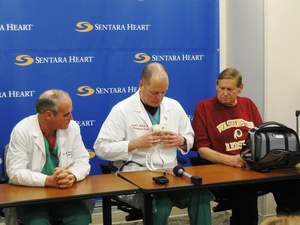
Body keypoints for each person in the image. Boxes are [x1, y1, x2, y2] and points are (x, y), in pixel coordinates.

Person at [94, 62, 212, 225]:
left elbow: (190, 137)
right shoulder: (122, 110)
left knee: (200, 195)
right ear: (141, 84)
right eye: (154, 92)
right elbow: (101, 148)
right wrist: (134, 143)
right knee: (160, 204)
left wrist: (181, 141)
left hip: (170, 174)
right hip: (136, 175)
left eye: (163, 92)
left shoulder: (174, 106)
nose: (159, 98)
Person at [192, 68, 300, 225]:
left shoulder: (247, 104)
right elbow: (202, 150)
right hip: (224, 170)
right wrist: (231, 160)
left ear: (240, 89)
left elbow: (261, 137)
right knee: (245, 194)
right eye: (221, 88)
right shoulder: (204, 107)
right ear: (216, 85)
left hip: (252, 167)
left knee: (291, 183)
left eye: (230, 89)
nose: (225, 93)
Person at [6, 89, 91, 225]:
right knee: (38, 223)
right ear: (49, 115)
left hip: (64, 194)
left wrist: (72, 176)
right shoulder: (22, 130)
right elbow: (15, 173)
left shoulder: (72, 127)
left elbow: (82, 160)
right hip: (32, 197)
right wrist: (48, 181)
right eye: (66, 114)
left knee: (81, 219)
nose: (72, 118)